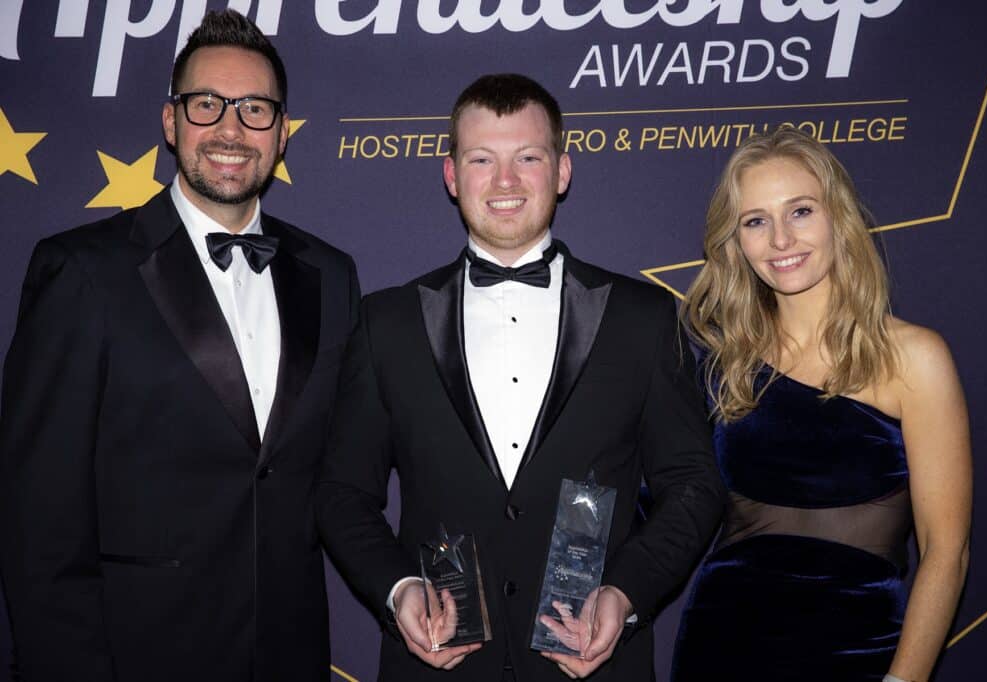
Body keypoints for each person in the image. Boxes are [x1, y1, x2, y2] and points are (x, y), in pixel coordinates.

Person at [316, 73, 724, 682]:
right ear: (452, 176)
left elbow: (694, 484)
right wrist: (398, 588)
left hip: (593, 664)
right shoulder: (386, 323)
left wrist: (626, 594)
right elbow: (342, 492)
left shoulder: (643, 318)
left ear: (561, 171)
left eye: (527, 158)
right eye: (482, 159)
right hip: (438, 664)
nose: (505, 182)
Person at [0, 10, 359, 682]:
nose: (231, 128)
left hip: (290, 656)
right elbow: (36, 521)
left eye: (255, 108)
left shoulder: (332, 276)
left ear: (282, 133)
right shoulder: (82, 272)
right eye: (206, 105)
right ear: (171, 122)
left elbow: (340, 474)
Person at [672, 127, 972, 681]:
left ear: (839, 217)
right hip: (720, 642)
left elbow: (946, 552)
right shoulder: (725, 365)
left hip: (859, 650)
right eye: (756, 221)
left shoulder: (913, 358)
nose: (781, 239)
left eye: (801, 211)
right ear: (736, 241)